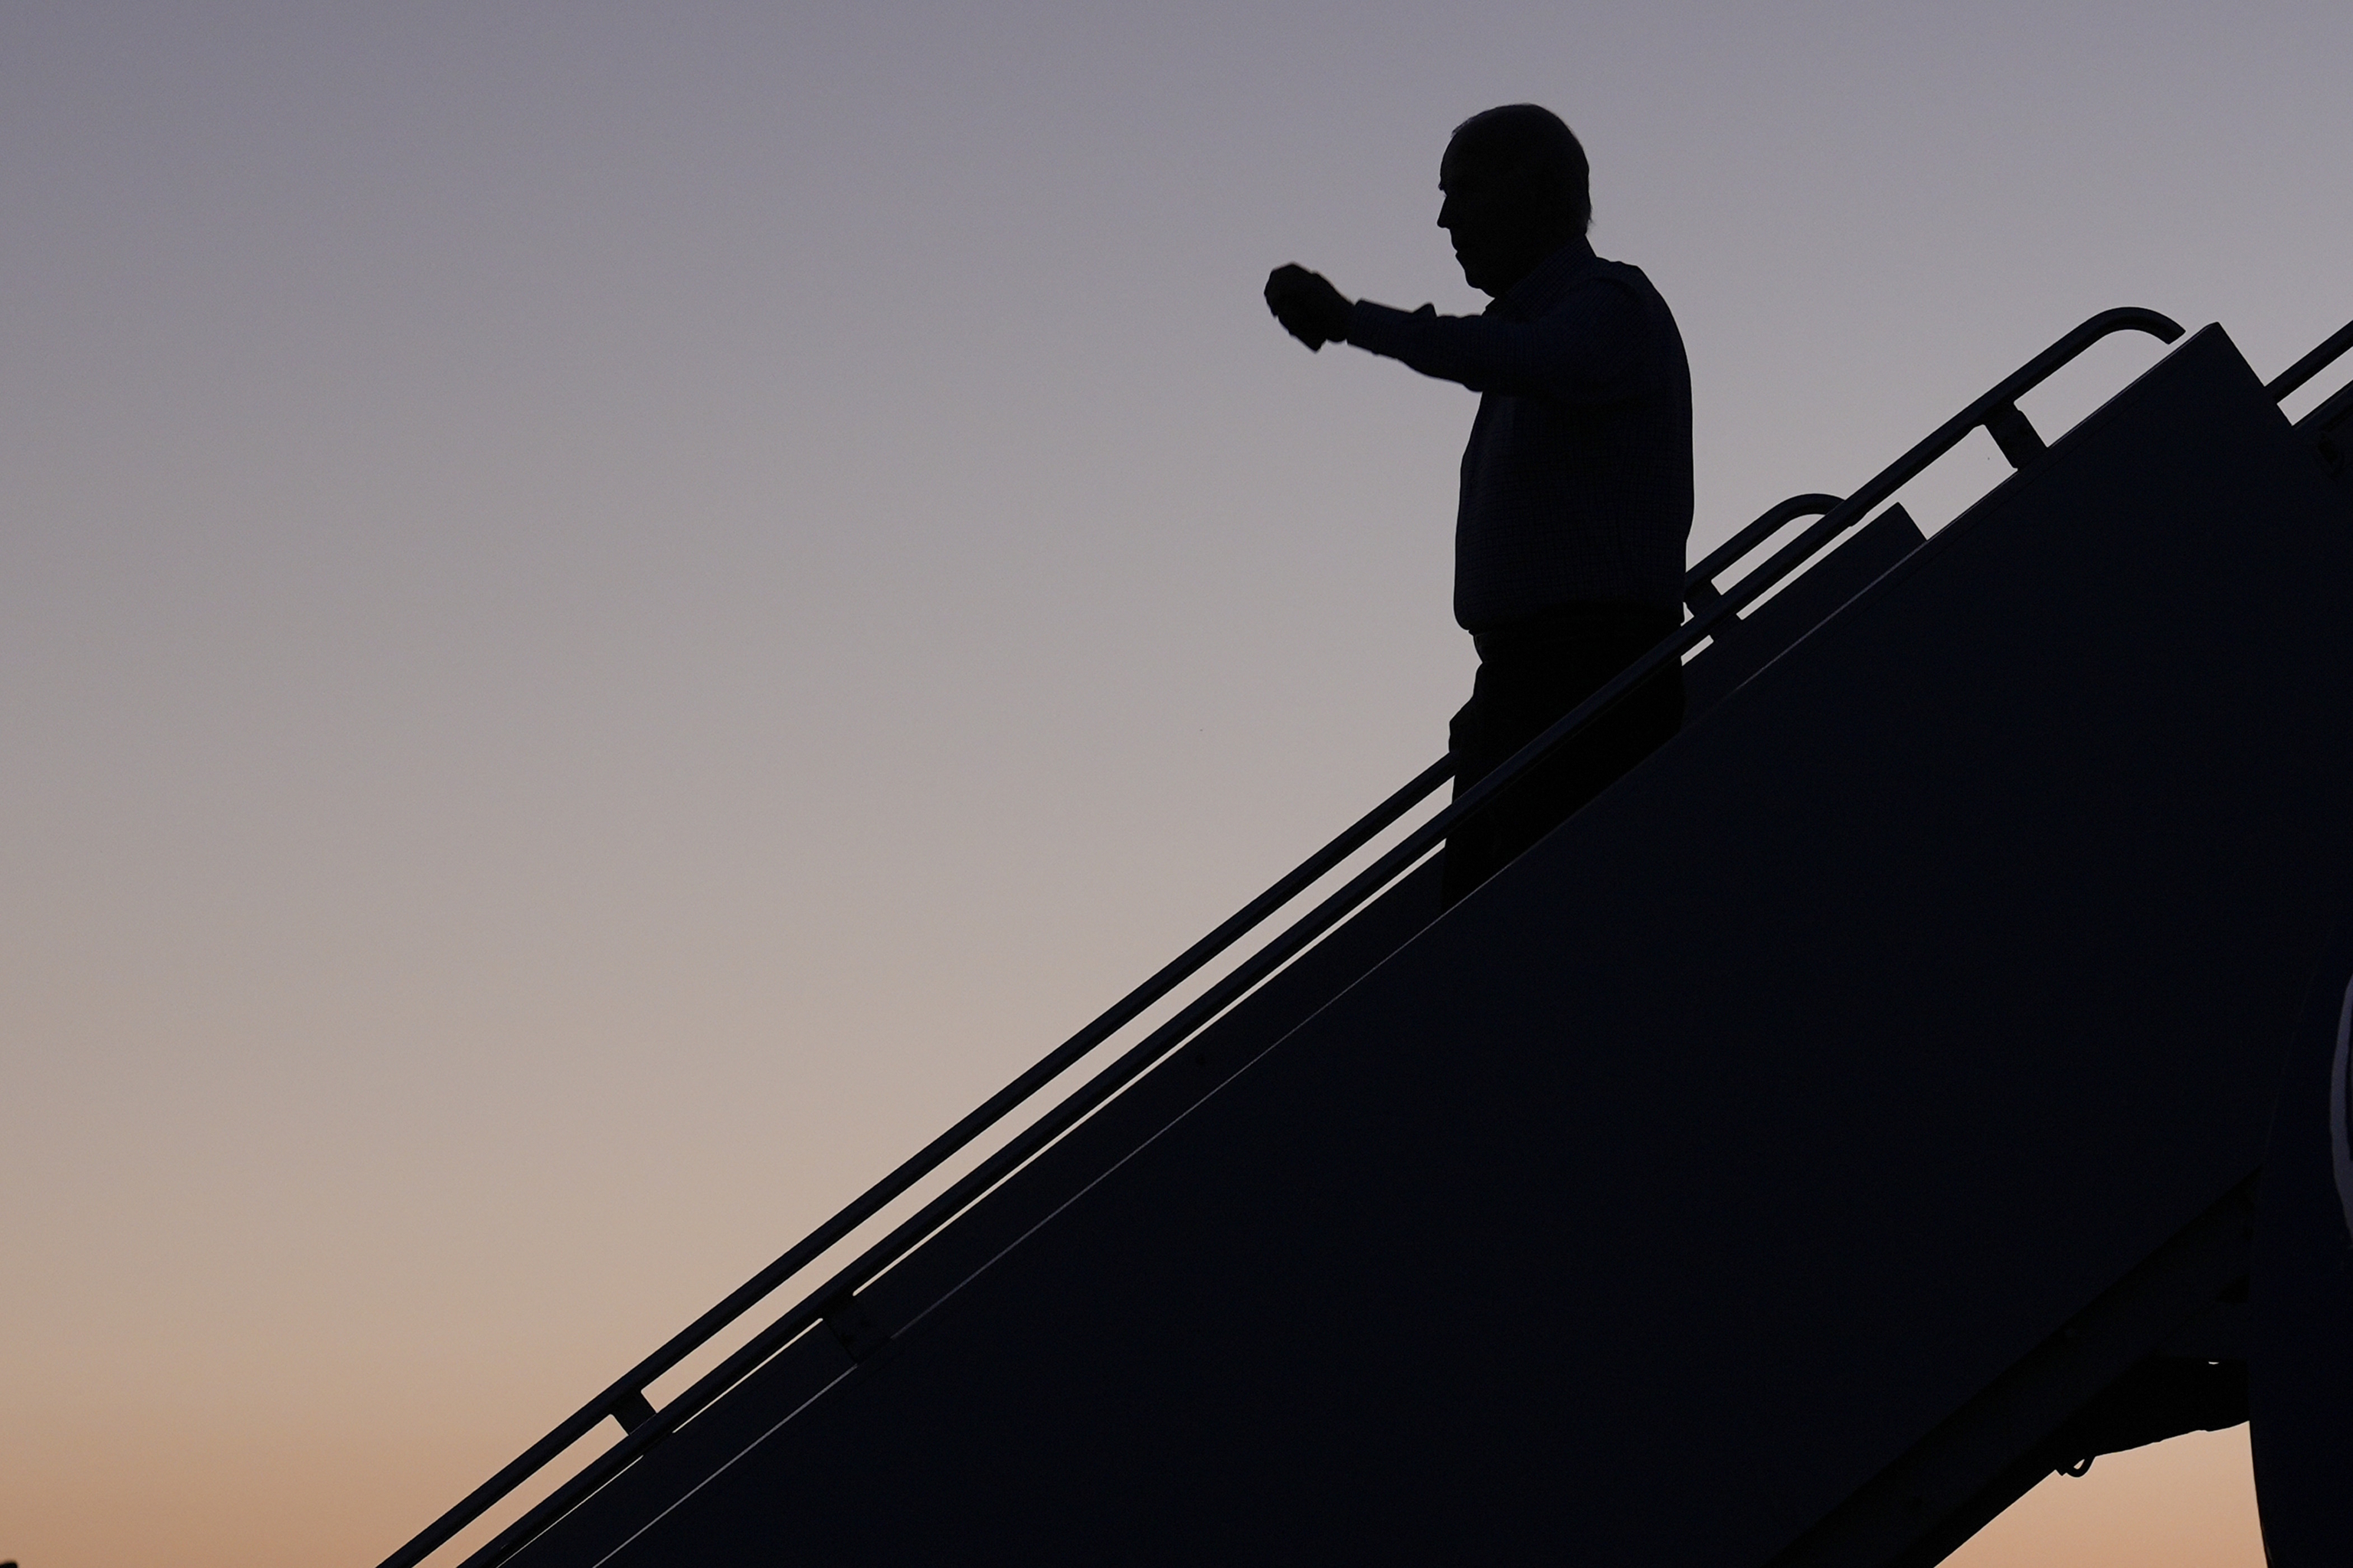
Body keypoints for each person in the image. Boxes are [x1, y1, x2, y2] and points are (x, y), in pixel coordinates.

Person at [1265, 104, 1692, 906]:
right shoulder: (1555, 331)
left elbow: (1516, 358)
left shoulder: (1609, 308)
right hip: (1531, 691)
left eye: (1461, 190)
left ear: (1531, 189)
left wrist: (1355, 321)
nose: (1444, 217)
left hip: (1583, 686)